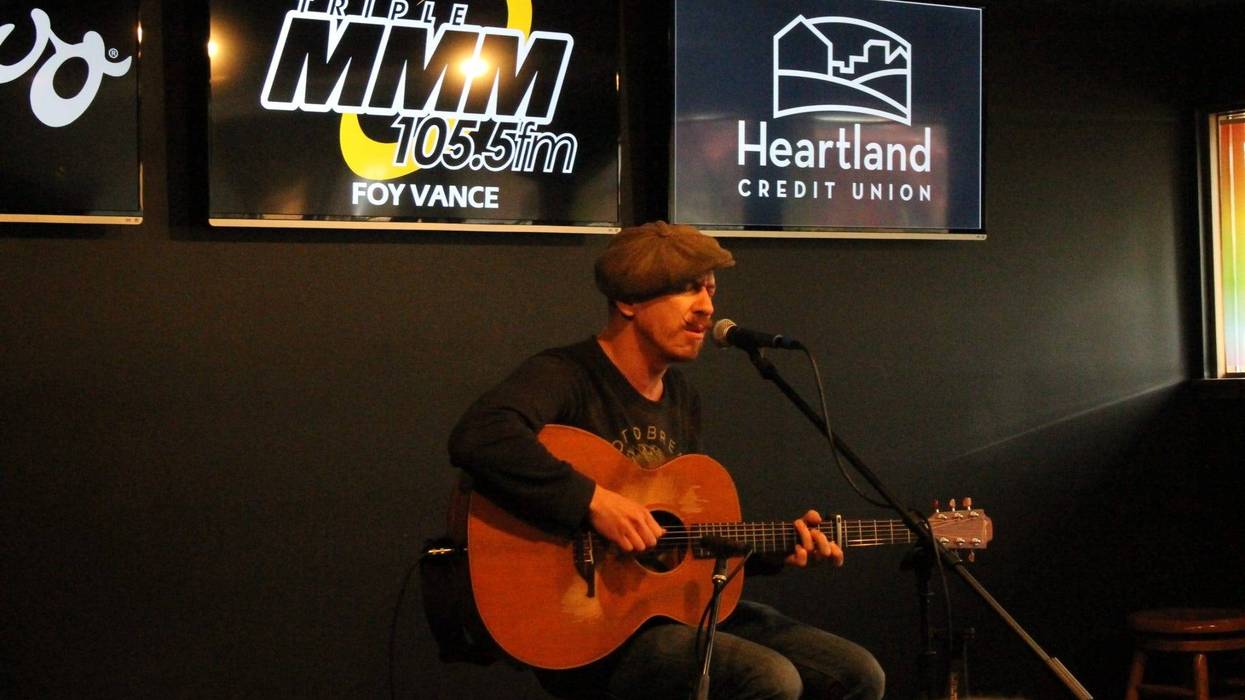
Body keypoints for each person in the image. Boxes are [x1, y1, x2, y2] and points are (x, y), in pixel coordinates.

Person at [448, 221, 885, 699]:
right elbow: (480, 435)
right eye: (686, 289)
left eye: (710, 289)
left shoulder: (681, 397)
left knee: (857, 672)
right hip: (588, 626)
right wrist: (594, 502)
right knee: (770, 678)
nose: (707, 307)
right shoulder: (565, 375)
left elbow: (681, 542)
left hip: (665, 609)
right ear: (628, 301)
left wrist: (775, 550)